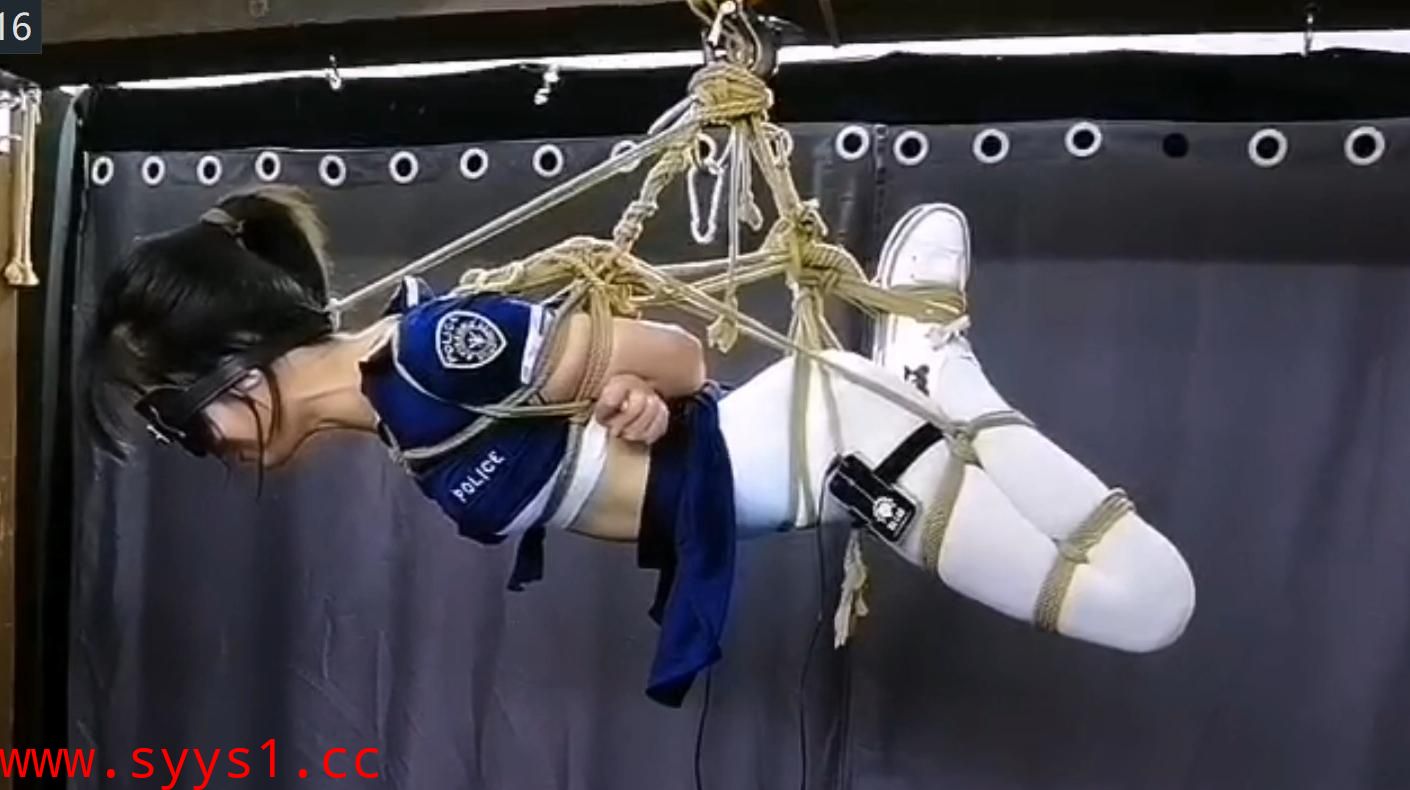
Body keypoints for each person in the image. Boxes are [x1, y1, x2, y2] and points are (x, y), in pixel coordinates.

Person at [86, 186, 1195, 707]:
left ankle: (933, 371)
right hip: (808, 465)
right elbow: (639, 400)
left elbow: (675, 352)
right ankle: (931, 373)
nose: (202, 448)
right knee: (1141, 591)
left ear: (236, 370)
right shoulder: (395, 406)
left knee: (1149, 602)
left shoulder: (431, 351)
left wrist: (643, 387)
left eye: (183, 422)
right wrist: (628, 406)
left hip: (828, 444)